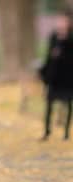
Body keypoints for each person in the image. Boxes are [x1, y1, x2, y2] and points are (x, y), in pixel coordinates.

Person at [40, 10, 73, 141]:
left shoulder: (71, 38)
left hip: (68, 77)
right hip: (55, 76)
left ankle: (66, 132)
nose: (61, 23)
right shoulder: (53, 36)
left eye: (63, 20)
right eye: (59, 20)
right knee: (49, 103)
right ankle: (47, 131)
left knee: (68, 104)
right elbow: (49, 56)